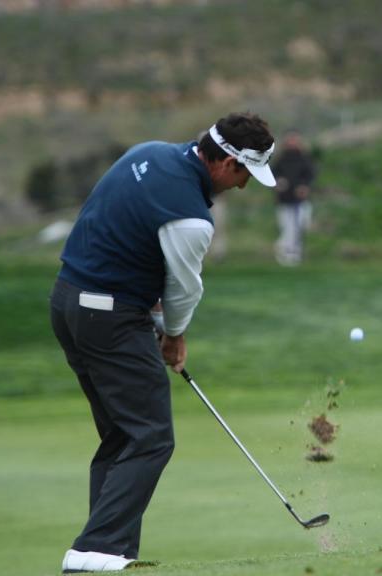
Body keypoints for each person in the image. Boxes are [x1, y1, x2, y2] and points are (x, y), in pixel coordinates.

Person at [49, 113, 276, 572]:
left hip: (68, 301)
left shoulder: (148, 152)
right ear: (227, 163)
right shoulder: (191, 219)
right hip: (109, 316)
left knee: (122, 435)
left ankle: (112, 552)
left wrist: (148, 311)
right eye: (245, 175)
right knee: (151, 436)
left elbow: (118, 229)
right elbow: (184, 290)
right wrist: (173, 336)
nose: (243, 186)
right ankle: (94, 549)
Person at [271, 130, 317, 266]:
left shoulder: (305, 158)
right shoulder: (280, 159)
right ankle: (285, 253)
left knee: (300, 225)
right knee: (287, 227)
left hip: (300, 200)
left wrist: (304, 186)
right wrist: (278, 183)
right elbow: (273, 176)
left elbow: (310, 176)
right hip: (285, 199)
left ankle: (295, 252)